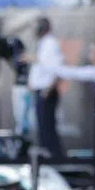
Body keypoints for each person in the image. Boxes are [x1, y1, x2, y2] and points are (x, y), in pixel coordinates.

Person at [27, 16, 65, 160]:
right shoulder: (44, 43)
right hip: (42, 91)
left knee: (48, 128)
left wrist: (48, 88)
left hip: (46, 91)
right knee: (43, 128)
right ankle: (48, 158)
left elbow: (56, 67)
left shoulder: (50, 44)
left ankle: (55, 159)